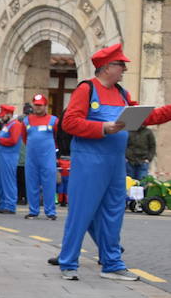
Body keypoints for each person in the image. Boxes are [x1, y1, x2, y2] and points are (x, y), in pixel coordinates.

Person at [54, 44, 171, 280]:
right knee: (81, 212)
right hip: (89, 161)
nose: (124, 69)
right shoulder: (86, 89)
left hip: (116, 161)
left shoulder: (122, 94)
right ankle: (68, 263)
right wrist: (102, 127)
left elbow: (144, 118)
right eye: (121, 65)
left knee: (114, 212)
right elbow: (69, 123)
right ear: (107, 67)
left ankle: (112, 264)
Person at [23, 94, 59, 221]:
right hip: (32, 158)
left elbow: (57, 137)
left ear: (45, 106)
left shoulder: (54, 120)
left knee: (49, 184)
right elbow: (24, 137)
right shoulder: (26, 120)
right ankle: (33, 211)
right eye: (36, 105)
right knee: (31, 183)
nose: (37, 107)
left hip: (48, 157)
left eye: (40, 105)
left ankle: (50, 211)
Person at [0, 104, 23, 214]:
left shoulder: (15, 125)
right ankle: (2, 204)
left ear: (9, 114)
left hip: (9, 157)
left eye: (3, 115)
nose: (1, 117)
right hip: (3, 156)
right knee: (1, 181)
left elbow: (13, 140)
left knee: (8, 181)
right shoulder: (8, 125)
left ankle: (10, 205)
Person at [127, 116, 156, 181]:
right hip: (130, 161)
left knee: (142, 182)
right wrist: (125, 157)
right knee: (129, 182)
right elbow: (125, 145)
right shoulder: (129, 131)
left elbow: (152, 146)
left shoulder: (148, 132)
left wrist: (148, 159)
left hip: (143, 161)